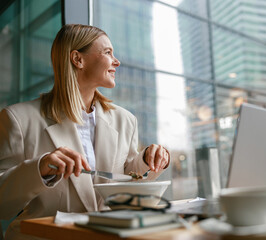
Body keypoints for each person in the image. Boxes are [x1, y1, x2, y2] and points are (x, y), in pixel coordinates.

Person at [0, 24, 170, 239]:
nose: (116, 61)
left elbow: (127, 179)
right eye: (108, 52)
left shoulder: (125, 120)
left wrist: (147, 160)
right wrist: (39, 168)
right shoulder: (18, 118)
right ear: (77, 59)